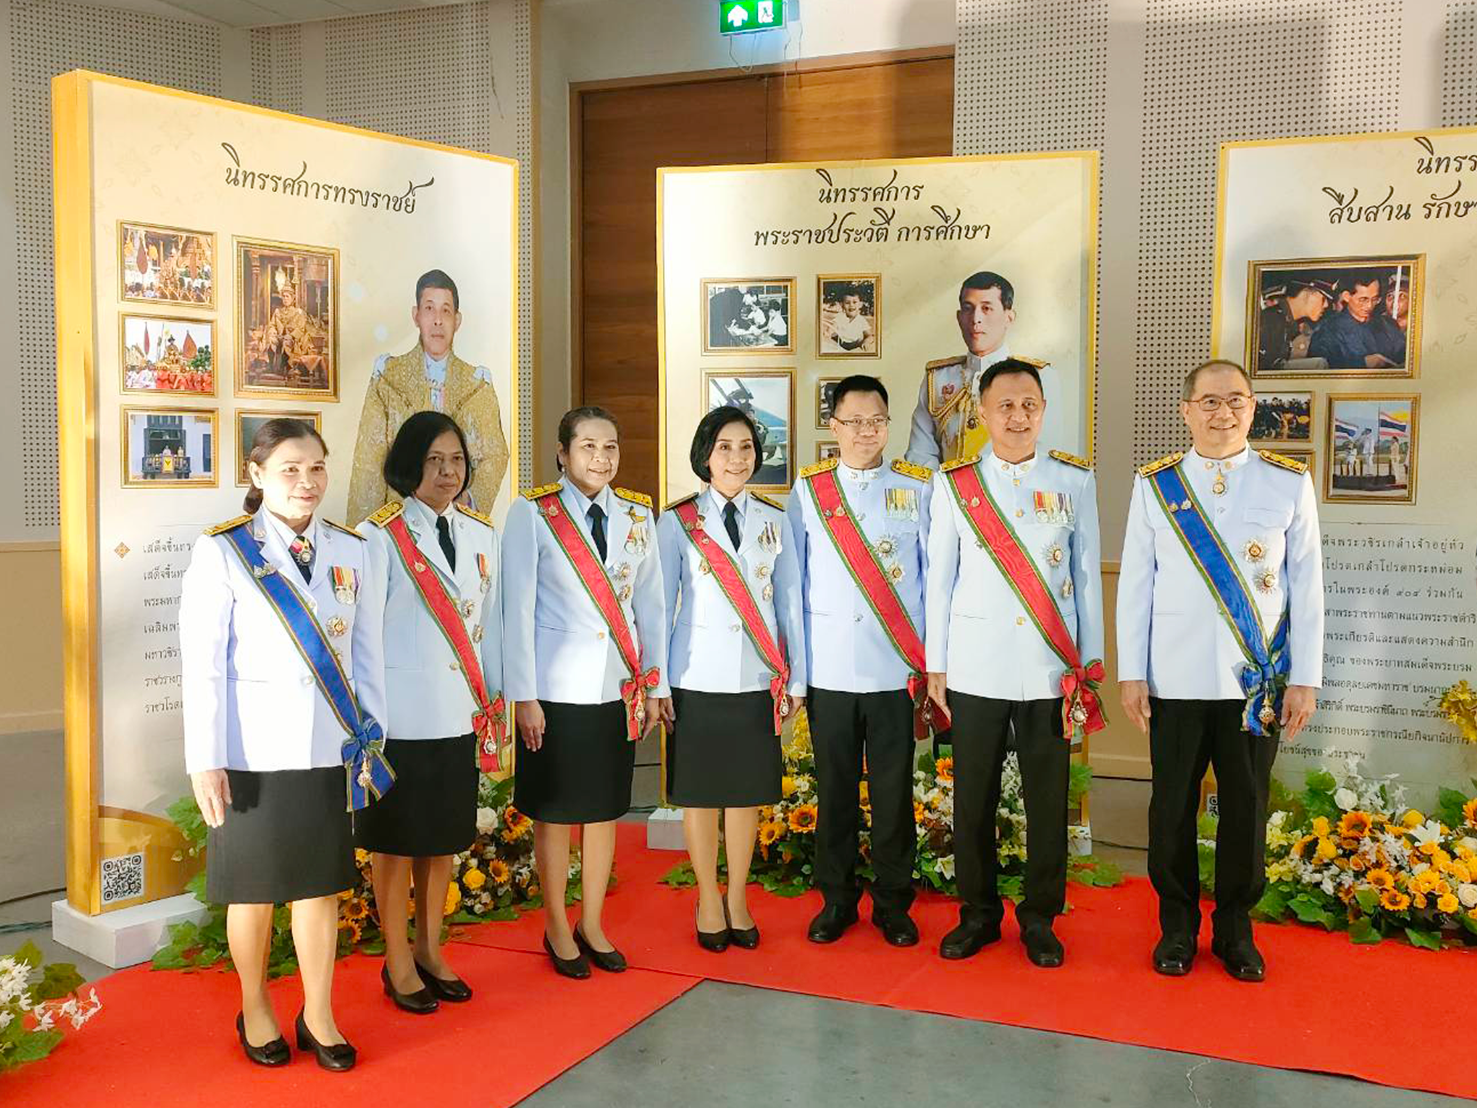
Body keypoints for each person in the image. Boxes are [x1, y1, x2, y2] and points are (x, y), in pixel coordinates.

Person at [180, 418, 388, 1071]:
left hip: (330, 748)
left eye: (315, 468)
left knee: (319, 888)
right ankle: (255, 1004)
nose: (306, 482)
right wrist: (204, 759)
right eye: (290, 469)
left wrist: (370, 741)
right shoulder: (222, 551)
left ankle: (319, 1012)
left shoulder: (355, 549)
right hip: (252, 754)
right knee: (253, 890)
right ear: (258, 475)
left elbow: (367, 655)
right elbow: (203, 666)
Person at [1118, 360, 1322, 983]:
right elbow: (1136, 586)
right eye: (1209, 401)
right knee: (1171, 807)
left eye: (1235, 400)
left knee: (1246, 806)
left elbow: (1307, 587)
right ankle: (1176, 927)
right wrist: (1132, 672)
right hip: (1175, 681)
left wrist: (1306, 678)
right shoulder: (1157, 485)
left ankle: (1235, 928)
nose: (1222, 412)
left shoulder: (1287, 482)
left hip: (1254, 686)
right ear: (1186, 410)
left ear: (1253, 407)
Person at [924, 358, 1104, 968]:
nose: (1018, 416)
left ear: (1043, 411)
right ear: (982, 412)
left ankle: (1040, 918)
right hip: (975, 667)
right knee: (972, 797)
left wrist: (1090, 664)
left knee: (1046, 799)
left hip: (1050, 668)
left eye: (1029, 405)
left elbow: (1084, 577)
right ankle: (977, 914)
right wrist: (936, 667)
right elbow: (939, 581)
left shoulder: (1075, 480)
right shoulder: (954, 483)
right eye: (1005, 405)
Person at [502, 406, 666, 979]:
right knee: (553, 813)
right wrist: (523, 694)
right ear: (563, 454)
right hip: (553, 692)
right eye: (589, 447)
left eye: (611, 447)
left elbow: (650, 607)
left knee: (602, 812)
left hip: (614, 689)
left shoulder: (638, 515)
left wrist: (654, 685)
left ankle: (591, 922)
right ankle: (554, 924)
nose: (601, 458)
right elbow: (516, 610)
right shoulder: (533, 514)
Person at [358, 412, 506, 1014]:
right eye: (433, 461)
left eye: (456, 460)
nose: (447, 472)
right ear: (409, 465)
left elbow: (487, 628)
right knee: (395, 846)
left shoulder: (479, 533)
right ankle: (396, 962)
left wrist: (494, 701)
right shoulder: (378, 536)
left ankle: (430, 949)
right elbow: (362, 637)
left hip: (456, 715)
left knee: (441, 842)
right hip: (399, 720)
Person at [786, 375, 934, 947]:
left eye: (876, 421)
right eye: (854, 421)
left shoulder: (917, 487)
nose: (866, 431)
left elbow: (931, 584)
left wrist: (929, 668)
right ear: (834, 426)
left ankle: (895, 903)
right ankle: (837, 900)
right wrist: (798, 675)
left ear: (888, 424)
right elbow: (794, 589)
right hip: (831, 671)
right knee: (836, 792)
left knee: (895, 792)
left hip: (895, 669)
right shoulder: (809, 491)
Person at [657, 405, 806, 952]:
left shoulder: (775, 518)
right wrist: (658, 684)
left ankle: (738, 896)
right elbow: (658, 607)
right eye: (725, 447)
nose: (737, 458)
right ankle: (706, 898)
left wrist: (797, 682)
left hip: (756, 678)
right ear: (705, 455)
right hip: (695, 676)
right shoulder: (677, 522)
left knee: (745, 797)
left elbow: (789, 606)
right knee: (700, 796)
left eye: (746, 447)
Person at [349, 269, 511, 524]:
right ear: (416, 316)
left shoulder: (478, 384)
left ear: (457, 320)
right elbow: (369, 459)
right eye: (429, 309)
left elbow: (496, 453)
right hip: (399, 520)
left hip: (457, 518)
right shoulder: (388, 377)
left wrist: (467, 502)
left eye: (446, 310)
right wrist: (364, 535)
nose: (438, 320)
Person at [905, 271, 1057, 469]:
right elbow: (920, 453)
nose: (976, 319)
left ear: (1009, 317)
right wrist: (946, 493)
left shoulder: (1040, 377)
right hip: (946, 495)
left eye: (987, 308)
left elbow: (1044, 453)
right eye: (968, 309)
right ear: (959, 318)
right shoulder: (938, 379)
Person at [1308, 273, 1400, 369]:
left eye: (1374, 299)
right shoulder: (1328, 330)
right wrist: (1362, 363)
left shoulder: (1387, 325)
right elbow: (1318, 368)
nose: (1369, 306)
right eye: (1363, 299)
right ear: (1347, 296)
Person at [1256, 280, 1333, 370]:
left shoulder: (1286, 322)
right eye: (1323, 299)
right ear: (1306, 294)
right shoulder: (1270, 321)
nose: (1326, 305)